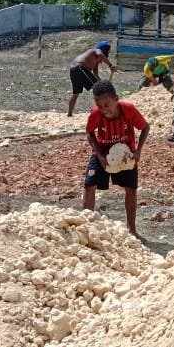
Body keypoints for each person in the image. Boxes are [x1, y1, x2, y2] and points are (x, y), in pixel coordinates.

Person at [83, 80, 149, 237]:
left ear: (116, 99)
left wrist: (138, 151)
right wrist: (98, 154)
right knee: (89, 184)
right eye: (100, 106)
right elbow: (89, 132)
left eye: (107, 105)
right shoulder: (95, 114)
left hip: (125, 153)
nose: (104, 109)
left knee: (131, 189)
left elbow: (145, 127)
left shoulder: (129, 110)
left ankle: (132, 230)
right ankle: (84, 226)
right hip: (103, 152)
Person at [67, 40, 115, 116]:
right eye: (108, 51)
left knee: (76, 94)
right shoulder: (97, 51)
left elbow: (95, 73)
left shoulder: (94, 60)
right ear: (104, 49)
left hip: (73, 70)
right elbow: (100, 55)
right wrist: (110, 65)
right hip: (80, 68)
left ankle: (69, 114)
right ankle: (101, 110)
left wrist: (102, 84)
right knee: (99, 91)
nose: (108, 53)